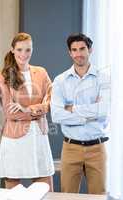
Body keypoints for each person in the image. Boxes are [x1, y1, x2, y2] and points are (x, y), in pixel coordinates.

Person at [51, 33, 110, 194]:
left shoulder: (103, 78)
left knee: (99, 196)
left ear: (90, 50)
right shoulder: (60, 80)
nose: (78, 53)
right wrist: (92, 111)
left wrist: (72, 109)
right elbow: (56, 115)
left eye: (82, 48)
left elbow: (103, 111)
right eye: (74, 50)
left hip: (97, 147)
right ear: (70, 53)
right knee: (67, 196)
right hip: (71, 148)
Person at [0, 32, 54, 190]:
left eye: (28, 50)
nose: (24, 54)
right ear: (12, 50)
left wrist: (28, 109)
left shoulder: (41, 72)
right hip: (15, 137)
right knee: (13, 188)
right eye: (20, 49)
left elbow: (51, 100)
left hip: (39, 135)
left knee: (46, 188)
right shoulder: (4, 76)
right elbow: (10, 113)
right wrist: (39, 110)